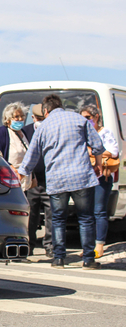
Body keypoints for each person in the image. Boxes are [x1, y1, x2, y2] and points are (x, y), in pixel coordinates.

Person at [18, 95, 105, 270]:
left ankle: (59, 259)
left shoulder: (43, 127)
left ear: (46, 111)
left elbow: (32, 154)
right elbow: (97, 145)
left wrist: (22, 173)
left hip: (57, 179)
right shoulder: (79, 119)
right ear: (61, 106)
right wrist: (98, 164)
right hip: (81, 177)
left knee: (58, 218)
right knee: (86, 218)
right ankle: (88, 259)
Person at [80, 104, 119, 258]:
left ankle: (99, 245)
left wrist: (92, 150)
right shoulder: (82, 133)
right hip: (85, 177)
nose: (86, 121)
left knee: (99, 211)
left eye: (88, 118)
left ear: (96, 117)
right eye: (82, 118)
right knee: (86, 213)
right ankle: (88, 246)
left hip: (101, 177)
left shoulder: (105, 133)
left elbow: (113, 152)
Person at [23, 104, 53, 257]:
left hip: (50, 180)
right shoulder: (26, 131)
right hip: (33, 181)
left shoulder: (53, 129)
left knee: (51, 216)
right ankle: (29, 246)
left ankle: (50, 247)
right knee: (31, 216)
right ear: (33, 118)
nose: (41, 121)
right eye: (39, 119)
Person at [0, 102, 33, 191]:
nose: (20, 119)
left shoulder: (23, 133)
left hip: (25, 181)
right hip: (10, 180)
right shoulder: (2, 132)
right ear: (8, 119)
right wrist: (11, 167)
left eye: (22, 116)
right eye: (16, 117)